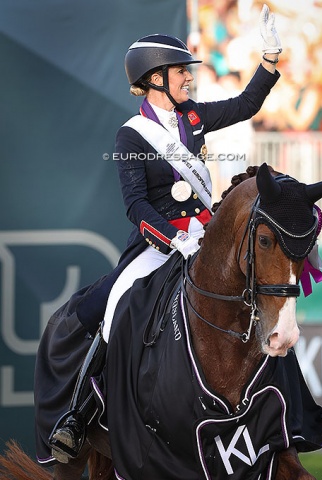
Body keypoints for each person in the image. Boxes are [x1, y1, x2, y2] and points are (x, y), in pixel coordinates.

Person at [46, 3, 282, 464]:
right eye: (180, 72)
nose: (188, 79)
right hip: (160, 243)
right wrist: (171, 237)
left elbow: (245, 105)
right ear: (156, 78)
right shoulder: (131, 137)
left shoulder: (192, 117)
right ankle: (80, 413)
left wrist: (268, 60)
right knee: (116, 306)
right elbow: (136, 205)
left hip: (206, 237)